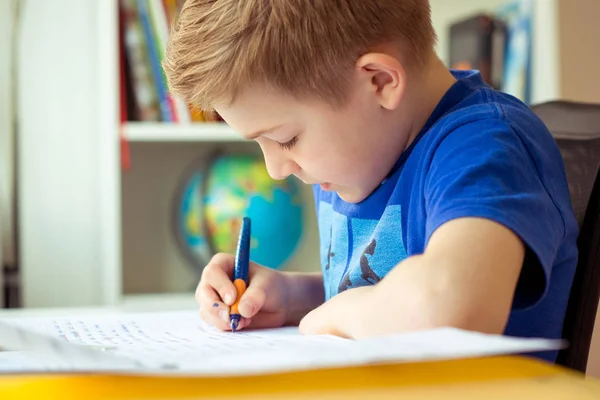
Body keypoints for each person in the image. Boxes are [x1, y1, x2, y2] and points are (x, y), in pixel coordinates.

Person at [162, 0, 578, 362]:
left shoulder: (483, 147)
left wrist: (330, 318)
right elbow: (376, 289)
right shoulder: (360, 156)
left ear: (379, 81)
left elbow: (450, 309)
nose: (275, 169)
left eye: (286, 138)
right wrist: (292, 299)